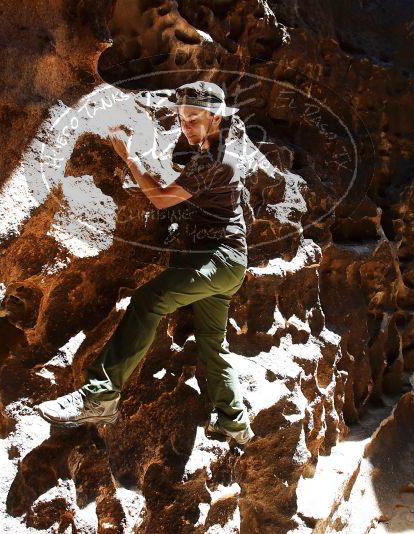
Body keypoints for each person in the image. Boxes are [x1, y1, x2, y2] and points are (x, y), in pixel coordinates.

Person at [36, 81, 254, 445]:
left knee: (149, 300)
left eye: (195, 119)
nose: (186, 126)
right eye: (183, 118)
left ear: (216, 117)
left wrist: (128, 156)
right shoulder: (211, 155)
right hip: (222, 264)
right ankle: (234, 420)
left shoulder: (217, 160)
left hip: (219, 259)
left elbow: (162, 199)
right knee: (213, 342)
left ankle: (100, 396)